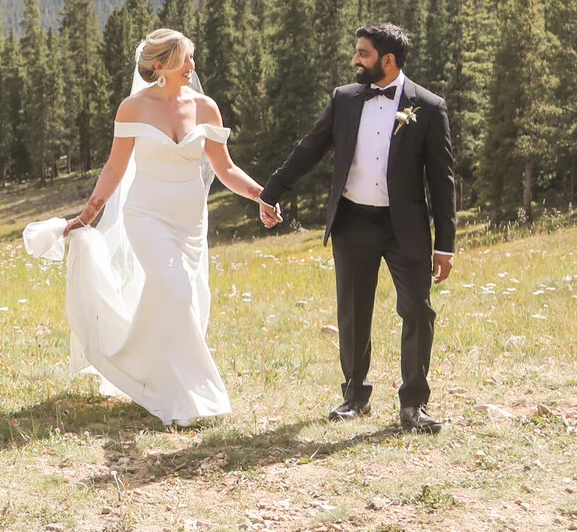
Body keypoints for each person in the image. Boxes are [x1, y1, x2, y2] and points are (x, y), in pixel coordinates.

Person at [22, 27, 274, 428]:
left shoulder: (206, 107)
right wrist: (88, 214)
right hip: (146, 216)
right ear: (160, 65)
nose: (193, 66)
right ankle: (190, 398)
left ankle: (142, 369)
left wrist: (261, 194)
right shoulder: (133, 108)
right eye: (185, 58)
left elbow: (224, 169)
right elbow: (115, 167)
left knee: (179, 298)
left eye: (192, 58)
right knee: (174, 289)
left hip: (191, 222)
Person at [256, 22, 456, 433]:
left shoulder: (429, 107)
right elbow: (310, 147)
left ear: (388, 60)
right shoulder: (344, 100)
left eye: (362, 53)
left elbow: (442, 179)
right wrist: (271, 191)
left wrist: (446, 244)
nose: (355, 60)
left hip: (407, 226)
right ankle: (354, 397)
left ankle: (413, 405)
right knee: (353, 313)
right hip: (353, 221)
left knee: (418, 309)